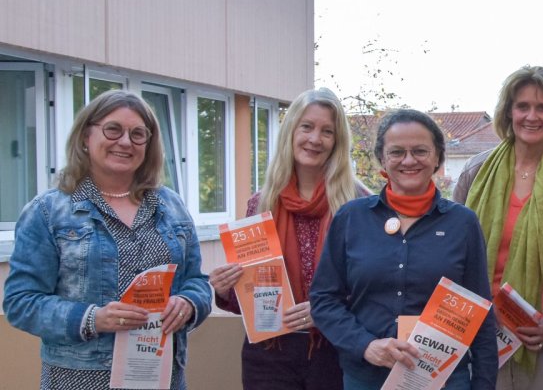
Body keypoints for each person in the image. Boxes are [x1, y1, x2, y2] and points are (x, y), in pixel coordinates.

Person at [3, 90, 212, 389]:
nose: (125, 142)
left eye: (138, 134)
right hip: (79, 380)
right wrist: (93, 318)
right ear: (86, 136)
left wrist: (189, 302)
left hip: (161, 377)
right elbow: (20, 302)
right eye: (113, 129)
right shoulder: (48, 211)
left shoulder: (171, 206)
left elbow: (197, 282)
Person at [310, 109, 497, 389]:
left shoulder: (463, 223)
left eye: (420, 151)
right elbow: (324, 299)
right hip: (367, 378)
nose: (409, 160)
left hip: (444, 380)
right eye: (397, 152)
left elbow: (480, 312)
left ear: (437, 157)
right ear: (382, 159)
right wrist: (365, 345)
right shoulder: (351, 219)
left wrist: (483, 384)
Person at [208, 88, 367, 389]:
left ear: (337, 141)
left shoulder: (358, 204)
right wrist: (227, 287)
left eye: (327, 131)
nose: (315, 139)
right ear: (291, 131)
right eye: (306, 126)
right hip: (270, 354)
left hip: (338, 350)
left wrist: (329, 311)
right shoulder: (261, 203)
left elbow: (375, 285)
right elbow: (247, 295)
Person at [453, 65, 543, 390]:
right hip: (479, 330)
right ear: (508, 112)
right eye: (522, 106)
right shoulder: (474, 174)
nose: (531, 116)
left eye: (542, 107)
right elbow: (451, 256)